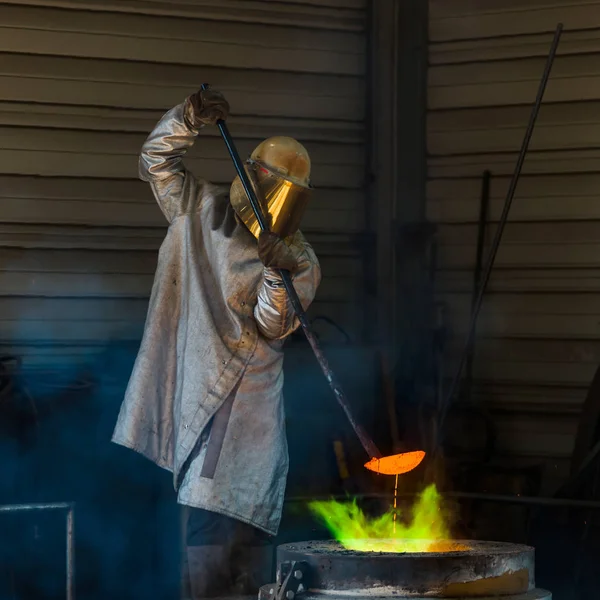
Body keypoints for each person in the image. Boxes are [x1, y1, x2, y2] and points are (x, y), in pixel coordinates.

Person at [111, 87, 321, 597]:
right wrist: (187, 118)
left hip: (243, 413)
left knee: (227, 524)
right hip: (193, 385)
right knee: (201, 526)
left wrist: (278, 271)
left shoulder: (301, 261)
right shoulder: (199, 208)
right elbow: (155, 161)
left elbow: (275, 325)